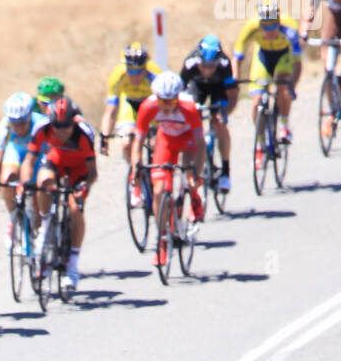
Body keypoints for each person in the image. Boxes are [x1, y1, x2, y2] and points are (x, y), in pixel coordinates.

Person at [19, 96, 97, 294]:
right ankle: (45, 226)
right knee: (42, 183)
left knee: (74, 208)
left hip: (79, 170)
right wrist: (24, 184)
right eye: (57, 127)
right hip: (56, 162)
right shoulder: (42, 129)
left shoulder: (84, 133)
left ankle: (72, 265)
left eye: (66, 127)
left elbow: (92, 171)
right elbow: (29, 161)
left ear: (73, 121)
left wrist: (85, 187)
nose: (61, 131)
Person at [130, 71, 204, 268]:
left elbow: (200, 143)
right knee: (158, 190)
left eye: (171, 102)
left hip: (188, 139)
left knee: (189, 174)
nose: (166, 106)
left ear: (178, 98)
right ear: (156, 97)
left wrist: (196, 172)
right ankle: (162, 240)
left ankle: (195, 198)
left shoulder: (189, 108)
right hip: (167, 140)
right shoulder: (148, 107)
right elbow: (138, 141)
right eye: (163, 101)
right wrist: (135, 166)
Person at [234, 2, 301, 144]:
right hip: (263, 57)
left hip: (284, 56)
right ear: (260, 24)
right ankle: (260, 144)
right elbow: (237, 58)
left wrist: (291, 86)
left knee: (282, 87)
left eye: (273, 26)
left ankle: (285, 125)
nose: (269, 31)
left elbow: (297, 63)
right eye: (265, 27)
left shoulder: (290, 28)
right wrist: (235, 81)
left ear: (278, 22)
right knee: (256, 102)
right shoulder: (250, 27)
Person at [0, 92, 49, 246]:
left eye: (22, 122)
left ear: (30, 116)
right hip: (16, 150)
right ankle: (14, 218)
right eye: (15, 123)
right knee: (6, 179)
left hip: (38, 154)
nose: (19, 127)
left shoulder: (42, 123)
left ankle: (39, 231)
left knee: (36, 196)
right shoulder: (5, 125)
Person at [179, 35, 238, 192]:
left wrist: (224, 114)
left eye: (211, 67)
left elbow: (232, 95)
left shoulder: (225, 64)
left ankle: (225, 172)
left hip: (218, 90)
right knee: (191, 120)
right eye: (203, 65)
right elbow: (178, 94)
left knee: (219, 123)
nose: (206, 70)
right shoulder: (190, 63)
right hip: (197, 88)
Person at [100, 41, 163, 165]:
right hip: (129, 105)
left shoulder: (155, 75)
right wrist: (104, 136)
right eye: (131, 71)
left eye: (139, 72)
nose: (135, 76)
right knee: (126, 142)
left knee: (155, 143)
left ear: (145, 67)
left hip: (151, 106)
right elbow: (111, 111)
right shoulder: (118, 75)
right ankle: (135, 171)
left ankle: (155, 172)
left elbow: (165, 107)